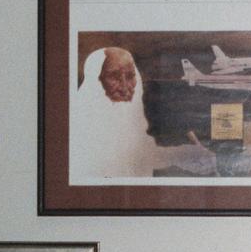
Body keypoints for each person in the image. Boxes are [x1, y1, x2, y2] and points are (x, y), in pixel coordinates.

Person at [70, 45, 215, 181]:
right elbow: (120, 160)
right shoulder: (78, 125)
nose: (125, 87)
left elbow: (140, 153)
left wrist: (186, 155)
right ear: (95, 81)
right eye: (114, 77)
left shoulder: (128, 118)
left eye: (130, 76)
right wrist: (181, 156)